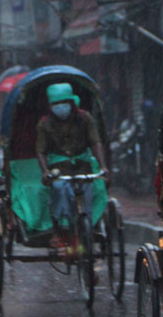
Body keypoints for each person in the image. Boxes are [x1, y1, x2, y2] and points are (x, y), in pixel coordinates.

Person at [35, 83, 108, 251]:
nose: (60, 107)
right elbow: (41, 151)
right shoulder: (44, 124)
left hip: (83, 166)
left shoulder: (85, 118)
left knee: (90, 190)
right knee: (59, 189)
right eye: (56, 104)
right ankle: (60, 229)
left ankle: (89, 224)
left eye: (64, 102)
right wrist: (45, 171)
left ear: (71, 102)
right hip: (59, 169)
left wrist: (103, 166)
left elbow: (95, 142)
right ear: (51, 106)